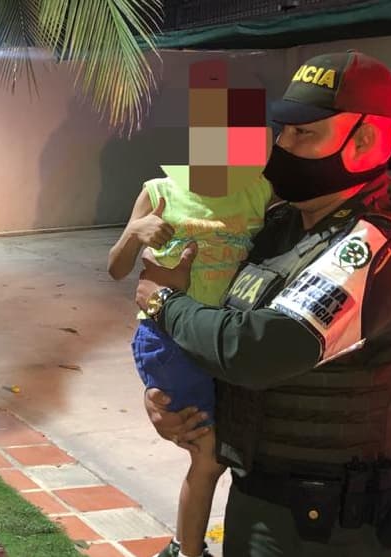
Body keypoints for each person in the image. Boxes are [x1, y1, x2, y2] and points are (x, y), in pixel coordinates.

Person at [136, 51, 391, 557]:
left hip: (333, 528)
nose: (282, 145)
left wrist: (163, 304)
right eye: (283, 130)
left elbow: (258, 348)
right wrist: (173, 399)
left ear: (363, 141)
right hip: (262, 500)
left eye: (305, 133)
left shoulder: (373, 244)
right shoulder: (283, 225)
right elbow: (220, 320)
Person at [108, 59, 273, 557]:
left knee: (227, 450)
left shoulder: (259, 190)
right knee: (208, 452)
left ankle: (185, 546)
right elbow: (117, 269)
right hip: (168, 338)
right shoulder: (159, 193)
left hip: (226, 335)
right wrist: (133, 237)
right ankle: (187, 549)